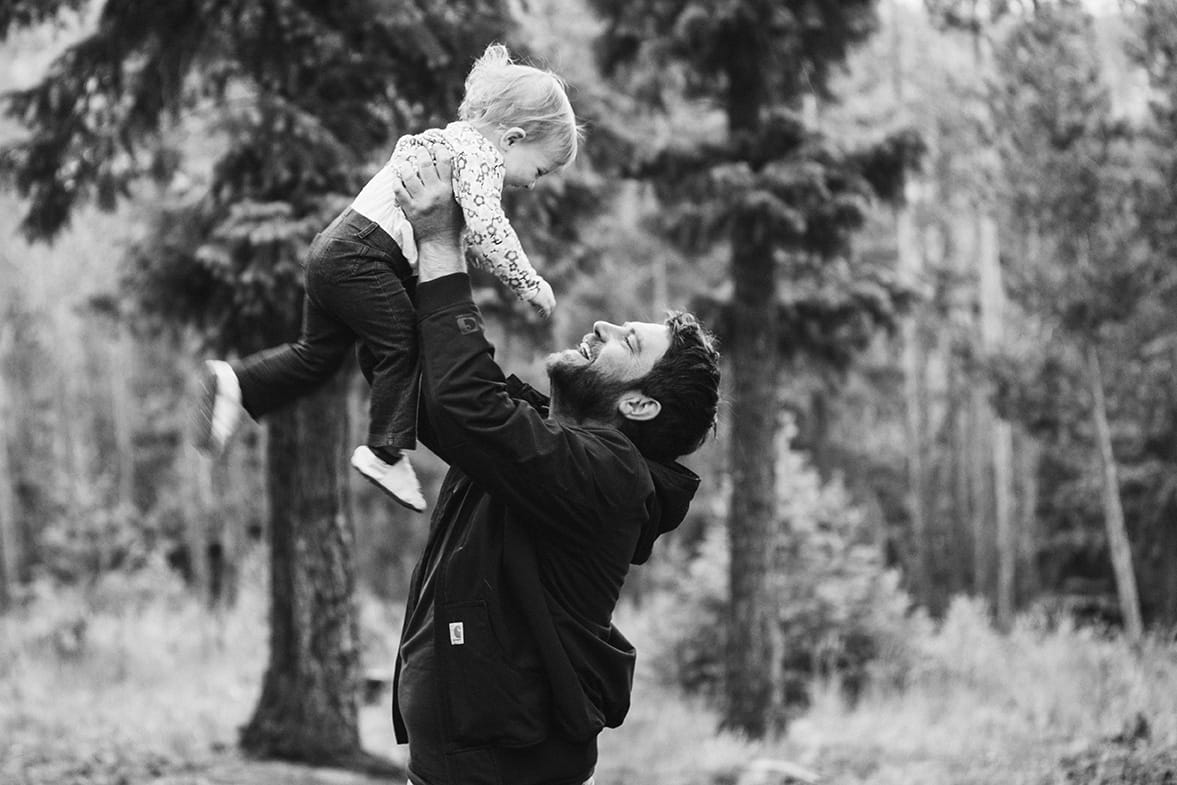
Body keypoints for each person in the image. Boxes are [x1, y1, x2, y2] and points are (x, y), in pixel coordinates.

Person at [388, 151, 721, 785]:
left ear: (640, 404)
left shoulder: (611, 476)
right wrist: (391, 244)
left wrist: (442, 242)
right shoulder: (541, 437)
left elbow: (464, 406)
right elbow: (433, 394)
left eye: (627, 341)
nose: (602, 324)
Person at [194, 43, 575, 511]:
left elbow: (465, 237)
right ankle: (385, 452)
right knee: (406, 344)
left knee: (316, 356)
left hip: (334, 249)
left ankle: (238, 383)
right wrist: (528, 282)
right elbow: (488, 228)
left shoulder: (451, 144)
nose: (533, 183)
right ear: (513, 139)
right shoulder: (482, 157)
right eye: (539, 170)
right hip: (364, 257)